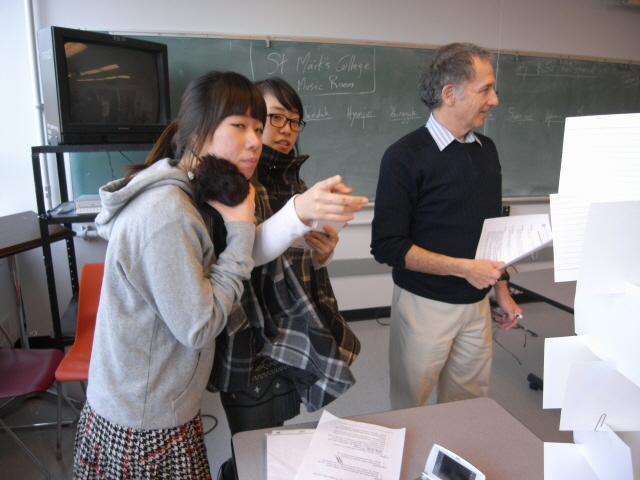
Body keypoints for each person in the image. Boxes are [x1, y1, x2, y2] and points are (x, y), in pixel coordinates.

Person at [73, 71, 265, 479]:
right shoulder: (168, 214)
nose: (255, 141)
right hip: (144, 428)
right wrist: (241, 232)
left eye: (259, 128)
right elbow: (198, 326)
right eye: (239, 125)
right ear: (196, 134)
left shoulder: (185, 196)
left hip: (148, 407)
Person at [206, 77, 365, 479]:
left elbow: (298, 263)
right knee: (252, 446)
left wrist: (323, 254)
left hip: (293, 326)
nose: (284, 130)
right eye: (272, 119)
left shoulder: (296, 182)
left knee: (276, 441)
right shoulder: (233, 182)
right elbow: (237, 259)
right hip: (252, 336)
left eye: (294, 122)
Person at [370, 43, 523, 410]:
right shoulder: (404, 156)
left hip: (477, 303)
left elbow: (493, 230)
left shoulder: (486, 150)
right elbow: (387, 245)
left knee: (468, 404)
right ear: (450, 94)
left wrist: (502, 291)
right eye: (485, 89)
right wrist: (464, 268)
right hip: (424, 305)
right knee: (412, 403)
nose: (495, 100)